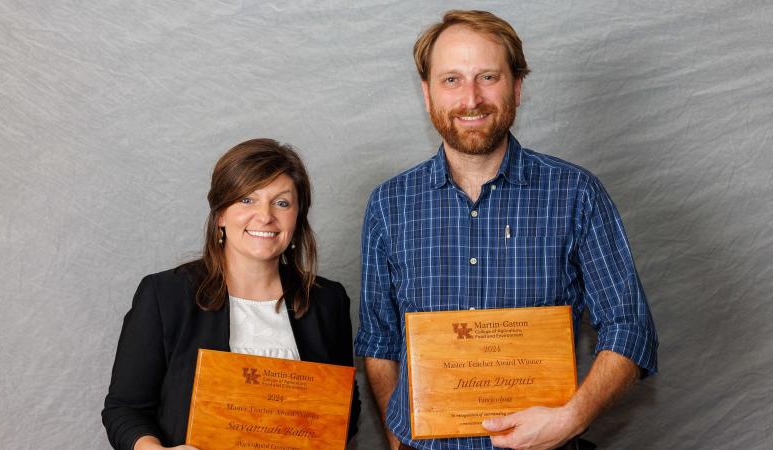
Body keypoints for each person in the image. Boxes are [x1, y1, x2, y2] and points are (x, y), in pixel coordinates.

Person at [355, 10, 658, 450]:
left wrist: (570, 420)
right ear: (427, 94)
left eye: (488, 77)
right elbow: (379, 342)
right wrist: (398, 440)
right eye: (452, 80)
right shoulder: (388, 204)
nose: (471, 98)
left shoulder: (576, 193)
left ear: (516, 87)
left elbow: (630, 327)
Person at [103, 138, 361, 450]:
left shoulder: (327, 300)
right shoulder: (165, 296)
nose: (265, 216)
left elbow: (345, 408)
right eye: (247, 200)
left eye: (281, 203)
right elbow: (125, 409)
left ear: (298, 217)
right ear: (221, 215)